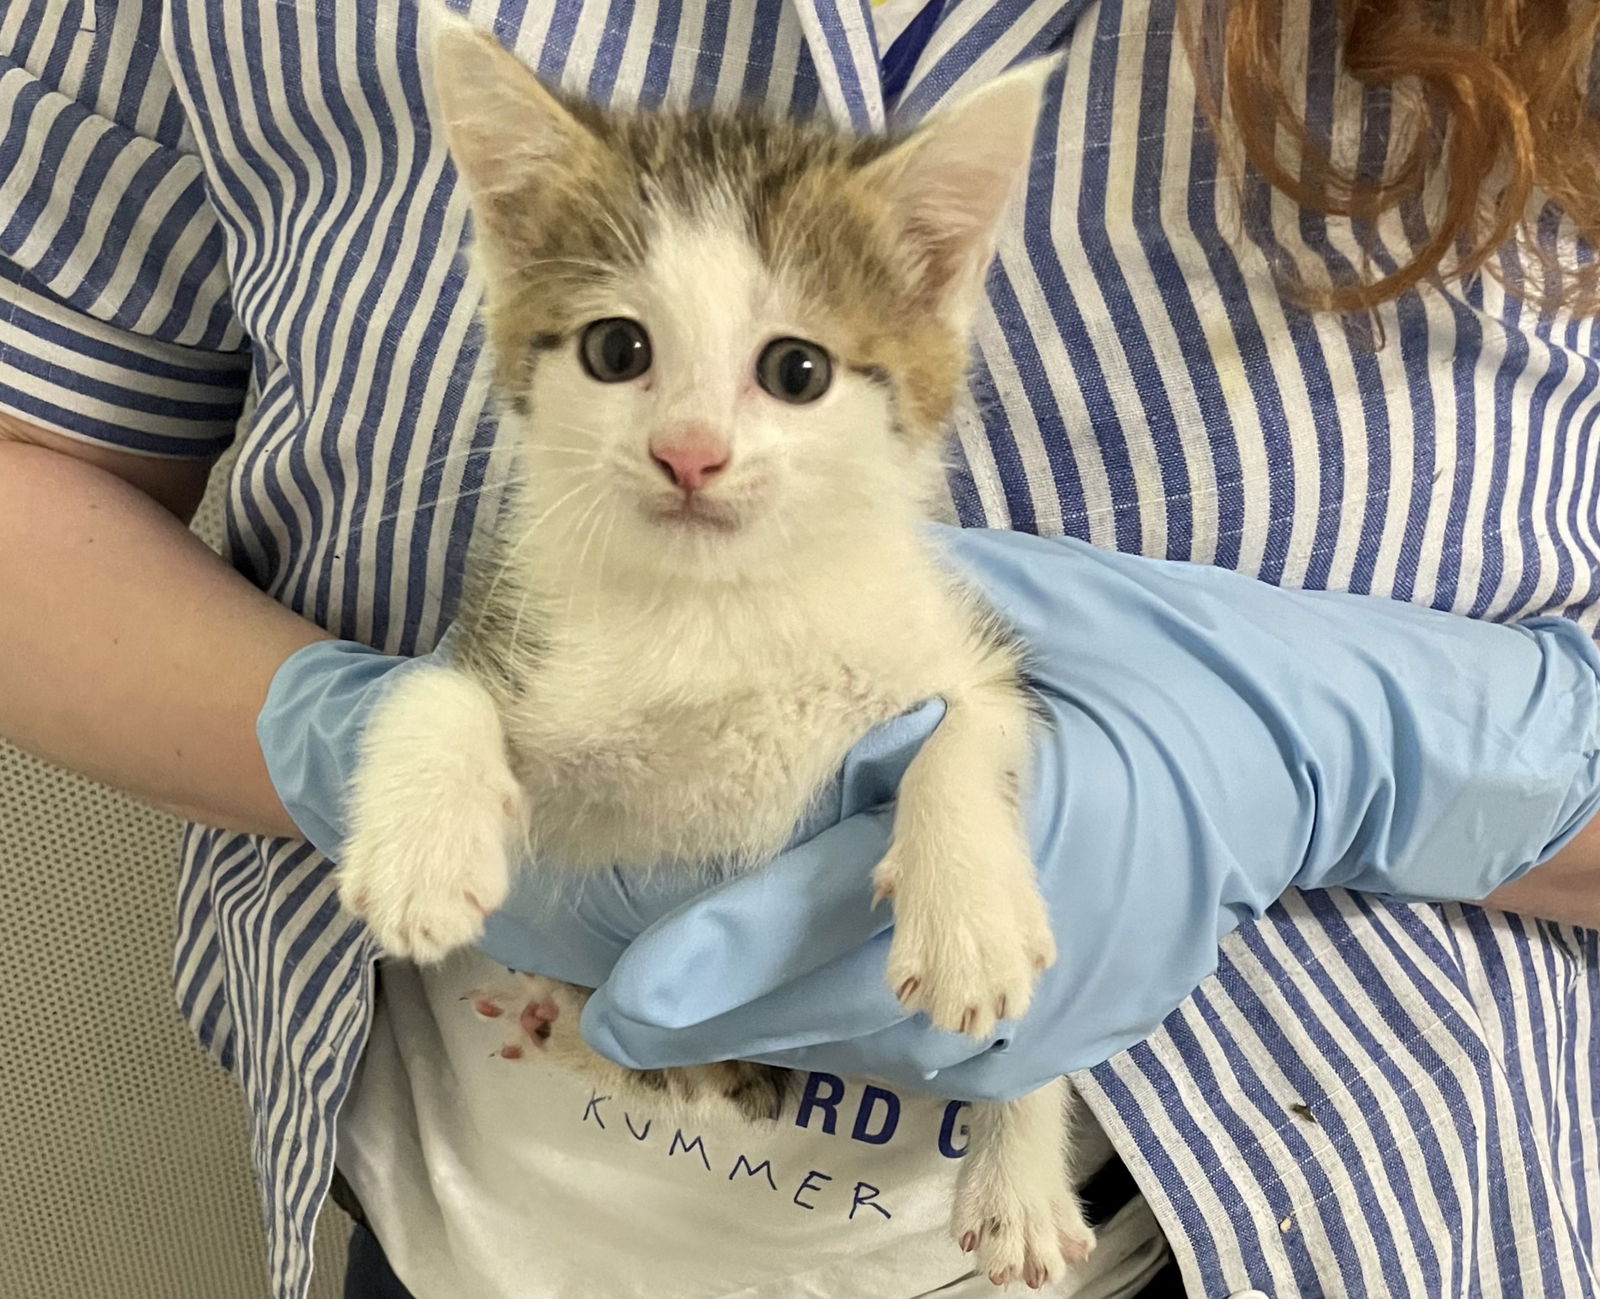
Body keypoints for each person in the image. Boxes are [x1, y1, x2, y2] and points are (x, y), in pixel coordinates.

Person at [1, 1, 1596, 1297]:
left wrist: (1369, 749)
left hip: (1326, 1213)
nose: (698, 448)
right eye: (621, 352)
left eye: (784, 372)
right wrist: (344, 742)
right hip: (484, 1228)